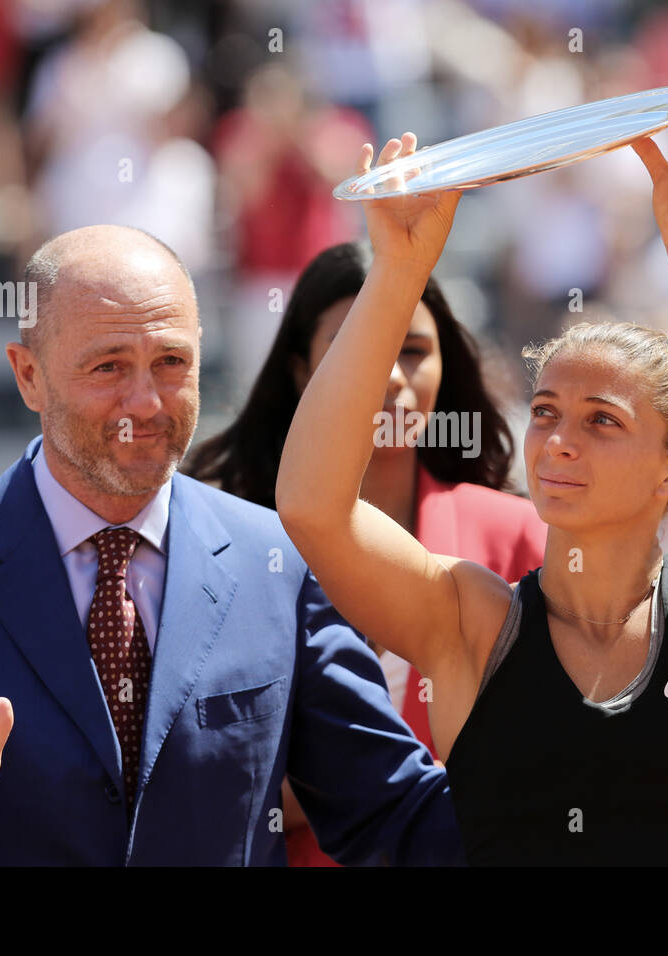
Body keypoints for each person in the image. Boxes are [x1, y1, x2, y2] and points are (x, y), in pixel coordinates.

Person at [0, 225, 462, 866]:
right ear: (28, 376)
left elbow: (393, 808)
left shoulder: (278, 564)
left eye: (171, 362)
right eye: (108, 367)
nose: (146, 402)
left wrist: (555, 793)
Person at [276, 81, 668, 864]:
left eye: (602, 420)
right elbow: (312, 507)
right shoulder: (474, 622)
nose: (558, 441)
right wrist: (397, 271)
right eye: (544, 413)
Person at [185, 240, 545, 864]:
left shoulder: (518, 533)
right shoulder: (225, 544)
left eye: (412, 350)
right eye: (362, 349)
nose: (392, 376)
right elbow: (199, 770)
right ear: (301, 371)